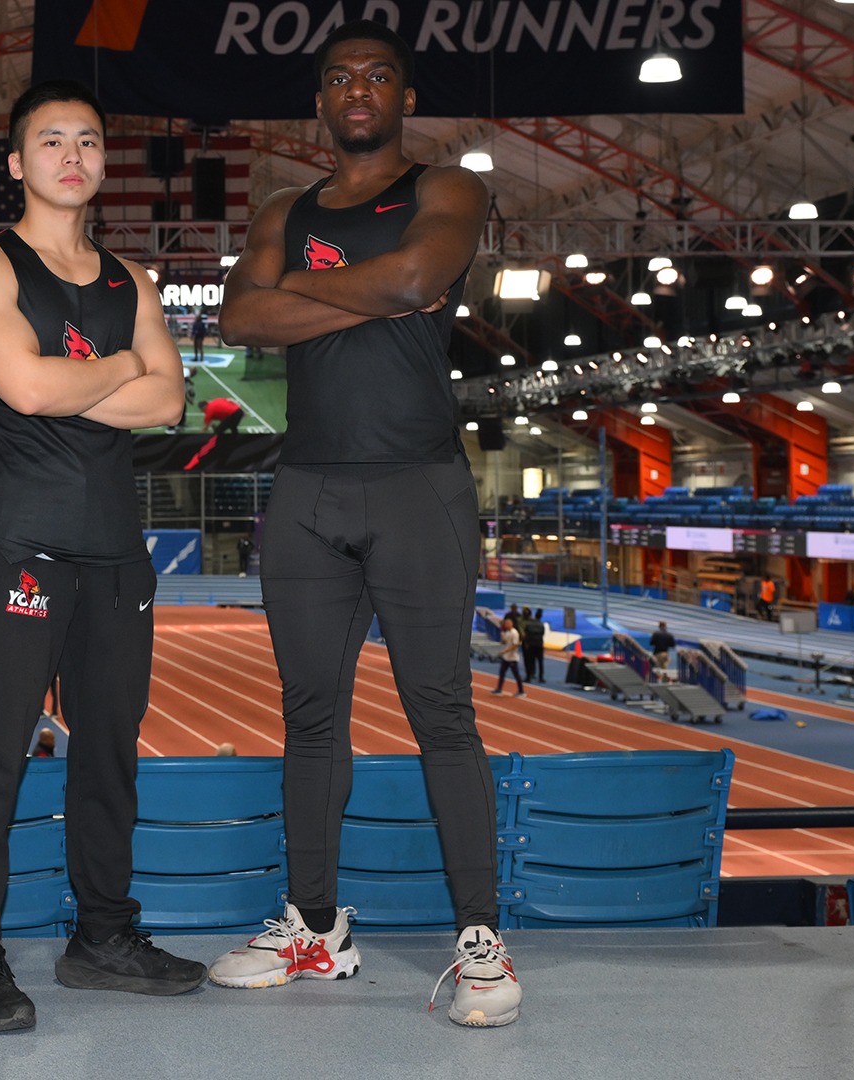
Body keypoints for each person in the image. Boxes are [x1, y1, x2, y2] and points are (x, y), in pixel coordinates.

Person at [207, 20, 520, 1028]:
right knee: (309, 718)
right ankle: (313, 928)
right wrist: (361, 293)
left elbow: (418, 279)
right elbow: (240, 320)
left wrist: (299, 289)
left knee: (441, 713)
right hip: (307, 493)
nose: (357, 89)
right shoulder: (283, 209)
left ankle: (481, 940)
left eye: (376, 75)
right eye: (338, 76)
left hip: (417, 488)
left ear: (404, 97)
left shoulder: (448, 190)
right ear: (319, 101)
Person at [0, 79, 197, 1035]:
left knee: (110, 758)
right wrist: (125, 365)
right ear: (18, 162)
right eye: (51, 141)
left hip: (117, 554)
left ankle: (103, 935)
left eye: (88, 140)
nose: (72, 156)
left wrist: (91, 380)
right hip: (20, 548)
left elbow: (166, 404)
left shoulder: (133, 279)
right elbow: (25, 387)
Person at [492, 616, 526, 697]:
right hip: (506, 657)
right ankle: (499, 689)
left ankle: (521, 691)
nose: (506, 625)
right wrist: (502, 641)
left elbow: (515, 645)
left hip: (512, 658)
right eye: (505, 623)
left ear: (511, 624)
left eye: (508, 623)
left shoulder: (515, 633)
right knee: (502, 673)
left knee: (516, 675)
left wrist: (505, 651)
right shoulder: (506, 632)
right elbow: (505, 643)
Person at [520, 606, 547, 685]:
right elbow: (542, 634)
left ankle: (528, 677)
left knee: (529, 661)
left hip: (530, 645)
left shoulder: (528, 624)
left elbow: (526, 635)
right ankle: (541, 677)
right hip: (539, 644)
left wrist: (526, 643)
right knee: (540, 661)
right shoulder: (541, 625)